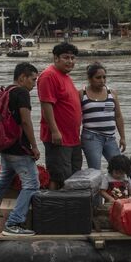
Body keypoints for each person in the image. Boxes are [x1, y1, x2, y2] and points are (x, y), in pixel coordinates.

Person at [0, 62, 41, 236]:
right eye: (33, 79)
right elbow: (26, 121)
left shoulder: (7, 91)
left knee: (3, 180)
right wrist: (34, 146)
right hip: (19, 148)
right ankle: (14, 223)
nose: (34, 84)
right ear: (22, 78)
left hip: (6, 147)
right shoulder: (21, 93)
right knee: (32, 185)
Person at [39, 42, 83, 189]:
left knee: (74, 175)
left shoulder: (65, 76)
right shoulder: (49, 75)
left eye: (72, 58)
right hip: (59, 138)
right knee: (60, 176)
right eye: (66, 57)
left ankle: (71, 206)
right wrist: (54, 131)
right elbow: (46, 104)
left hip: (72, 137)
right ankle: (55, 207)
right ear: (56, 58)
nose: (70, 61)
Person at [80, 62, 127, 170]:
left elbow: (118, 116)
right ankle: (98, 187)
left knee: (120, 167)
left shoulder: (112, 93)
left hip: (110, 138)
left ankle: (117, 187)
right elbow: (76, 117)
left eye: (104, 77)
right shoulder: (82, 94)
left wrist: (122, 137)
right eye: (98, 77)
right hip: (91, 137)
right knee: (95, 169)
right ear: (90, 78)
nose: (102, 80)